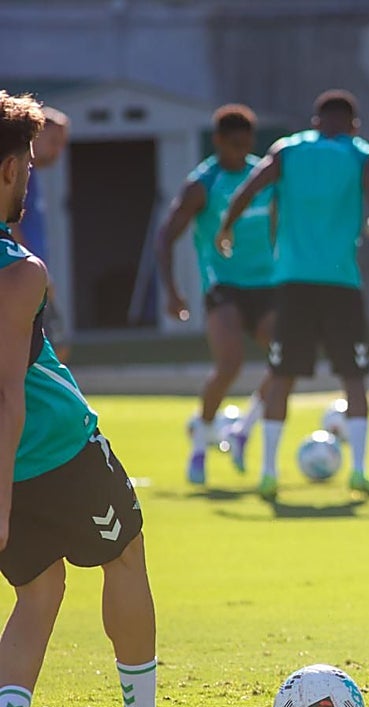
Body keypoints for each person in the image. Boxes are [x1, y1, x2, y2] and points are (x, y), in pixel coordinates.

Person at [0, 92, 176, 707]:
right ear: (10, 170)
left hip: (18, 465)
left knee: (39, 590)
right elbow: (9, 393)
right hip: (55, 449)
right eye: (30, 165)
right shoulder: (20, 271)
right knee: (126, 556)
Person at [218, 89, 369, 502]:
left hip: (292, 282)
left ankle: (268, 474)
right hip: (342, 283)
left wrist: (226, 228)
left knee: (282, 375)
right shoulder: (363, 155)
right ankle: (358, 471)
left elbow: (247, 190)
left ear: (315, 121)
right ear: (354, 125)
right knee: (354, 377)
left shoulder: (287, 151)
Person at [155, 104, 276, 485]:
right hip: (223, 285)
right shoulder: (202, 184)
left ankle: (243, 429)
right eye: (233, 143)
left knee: (286, 358)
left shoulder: (263, 176)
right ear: (219, 140)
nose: (241, 151)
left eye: (247, 143)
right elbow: (166, 236)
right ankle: (200, 442)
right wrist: (173, 292)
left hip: (268, 283)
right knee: (230, 365)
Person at [10, 106, 70, 361]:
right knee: (49, 350)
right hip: (24, 274)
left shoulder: (33, 178)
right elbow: (11, 226)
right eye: (54, 142)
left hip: (36, 274)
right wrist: (31, 269)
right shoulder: (16, 174)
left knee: (55, 348)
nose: (59, 151)